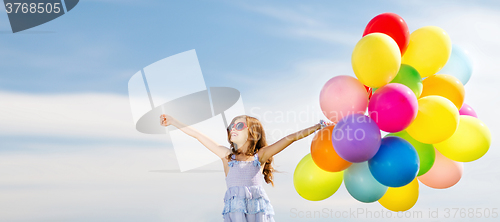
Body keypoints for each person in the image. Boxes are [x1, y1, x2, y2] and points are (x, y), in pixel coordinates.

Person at [160, 114, 331, 222]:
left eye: (239, 126)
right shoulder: (227, 157)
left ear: (253, 134)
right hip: (236, 214)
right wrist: (174, 121)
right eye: (231, 126)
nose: (233, 129)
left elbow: (290, 138)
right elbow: (198, 135)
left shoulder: (260, 156)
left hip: (258, 213)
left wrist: (318, 126)